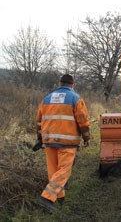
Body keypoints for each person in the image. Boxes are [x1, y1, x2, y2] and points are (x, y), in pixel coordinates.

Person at [35, 74, 90, 213]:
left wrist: (39, 138)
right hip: (67, 142)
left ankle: (60, 198)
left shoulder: (46, 99)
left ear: (60, 83)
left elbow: (38, 121)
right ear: (73, 84)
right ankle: (46, 198)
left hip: (49, 141)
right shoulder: (75, 98)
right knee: (64, 171)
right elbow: (83, 121)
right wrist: (86, 138)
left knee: (54, 171)